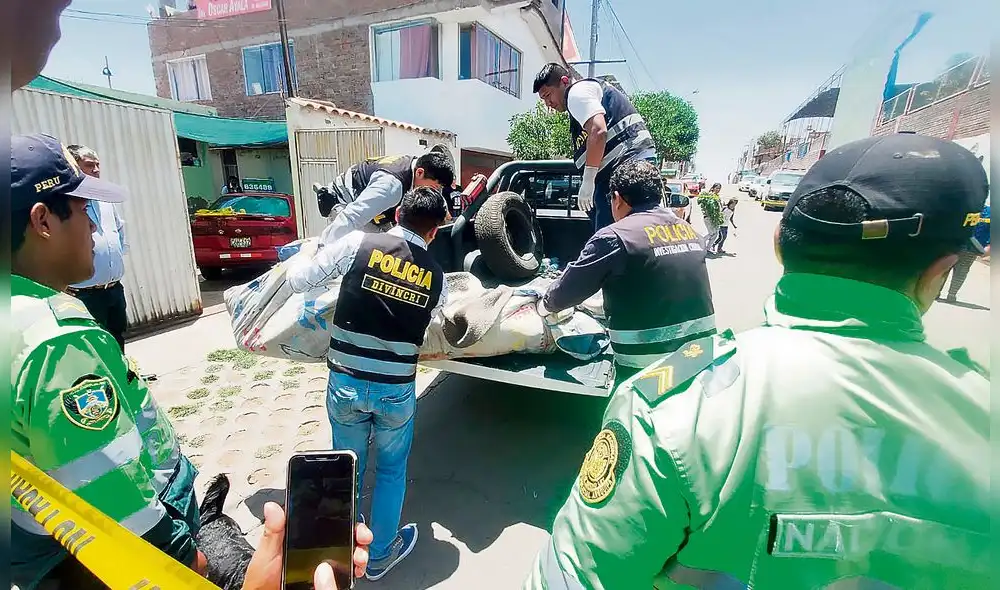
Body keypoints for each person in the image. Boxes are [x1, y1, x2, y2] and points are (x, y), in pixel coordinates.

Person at [524, 133, 990, 589]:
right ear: (941, 269)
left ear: (779, 244)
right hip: (694, 343)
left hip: (651, 360)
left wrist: (542, 303)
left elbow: (571, 577)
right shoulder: (981, 411)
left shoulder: (669, 410)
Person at [11, 133, 210, 588]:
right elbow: (112, 487)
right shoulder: (54, 341)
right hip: (122, 553)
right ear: (43, 221)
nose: (95, 228)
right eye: (82, 211)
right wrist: (184, 561)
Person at [287, 186, 450, 581]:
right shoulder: (437, 276)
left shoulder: (358, 244)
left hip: (346, 384)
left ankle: (340, 554)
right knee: (392, 471)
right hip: (396, 391)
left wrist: (310, 252)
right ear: (433, 233)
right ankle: (378, 558)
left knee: (347, 467)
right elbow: (438, 324)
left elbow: (299, 282)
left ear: (396, 214)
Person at [535, 159, 716, 390]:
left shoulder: (614, 237)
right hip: (701, 354)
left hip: (647, 367)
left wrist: (544, 304)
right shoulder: (688, 230)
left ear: (617, 198)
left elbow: (566, 293)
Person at [533, 63, 657, 233]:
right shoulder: (582, 100)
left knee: (613, 238)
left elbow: (598, 131)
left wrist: (588, 179)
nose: (548, 103)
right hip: (624, 168)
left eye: (548, 95)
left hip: (628, 166)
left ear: (564, 81)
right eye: (543, 100)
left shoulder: (576, 93)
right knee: (616, 235)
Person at [64, 144, 130, 352]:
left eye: (98, 165)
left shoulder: (105, 200)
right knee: (92, 347)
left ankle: (121, 380)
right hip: (85, 294)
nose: (96, 170)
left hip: (113, 288)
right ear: (74, 167)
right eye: (89, 165)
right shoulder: (66, 204)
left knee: (117, 338)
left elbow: (119, 228)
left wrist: (112, 255)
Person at [316, 147, 455, 245]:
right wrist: (323, 248)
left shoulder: (420, 165)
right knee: (370, 254)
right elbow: (352, 217)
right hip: (343, 205)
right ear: (419, 172)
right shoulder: (391, 187)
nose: (434, 192)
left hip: (369, 211)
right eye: (436, 187)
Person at [941, 201, 989, 302]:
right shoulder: (962, 208)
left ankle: (952, 294)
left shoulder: (989, 213)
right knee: (943, 268)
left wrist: (988, 246)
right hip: (954, 244)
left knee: (961, 271)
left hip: (972, 248)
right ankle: (936, 292)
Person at [698, 182, 724, 254]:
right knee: (711, 233)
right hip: (708, 217)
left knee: (715, 234)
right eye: (717, 188)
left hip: (715, 218)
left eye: (719, 188)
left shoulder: (717, 196)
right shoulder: (710, 196)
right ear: (713, 188)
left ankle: (707, 248)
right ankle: (700, 243)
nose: (718, 190)